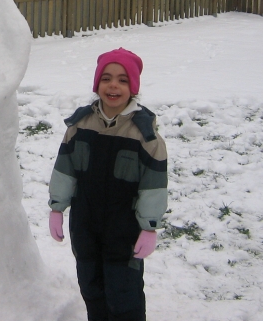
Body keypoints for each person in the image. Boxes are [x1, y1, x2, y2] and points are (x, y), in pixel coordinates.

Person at [48, 48, 168, 321]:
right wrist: (57, 207)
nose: (113, 85)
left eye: (123, 80)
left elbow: (153, 184)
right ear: (97, 84)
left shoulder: (145, 136)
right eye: (107, 78)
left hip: (123, 227)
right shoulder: (80, 126)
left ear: (133, 88)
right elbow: (65, 169)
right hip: (85, 222)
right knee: (91, 284)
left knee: (123, 291)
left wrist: (149, 227)